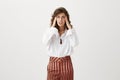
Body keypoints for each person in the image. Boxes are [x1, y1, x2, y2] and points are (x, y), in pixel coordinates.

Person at [42, 7, 79, 80]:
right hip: (53, 64)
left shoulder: (70, 32)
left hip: (66, 64)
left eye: (63, 17)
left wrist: (69, 27)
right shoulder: (50, 31)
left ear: (66, 19)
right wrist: (52, 27)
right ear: (55, 18)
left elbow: (75, 43)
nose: (60, 20)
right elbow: (44, 42)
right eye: (58, 17)